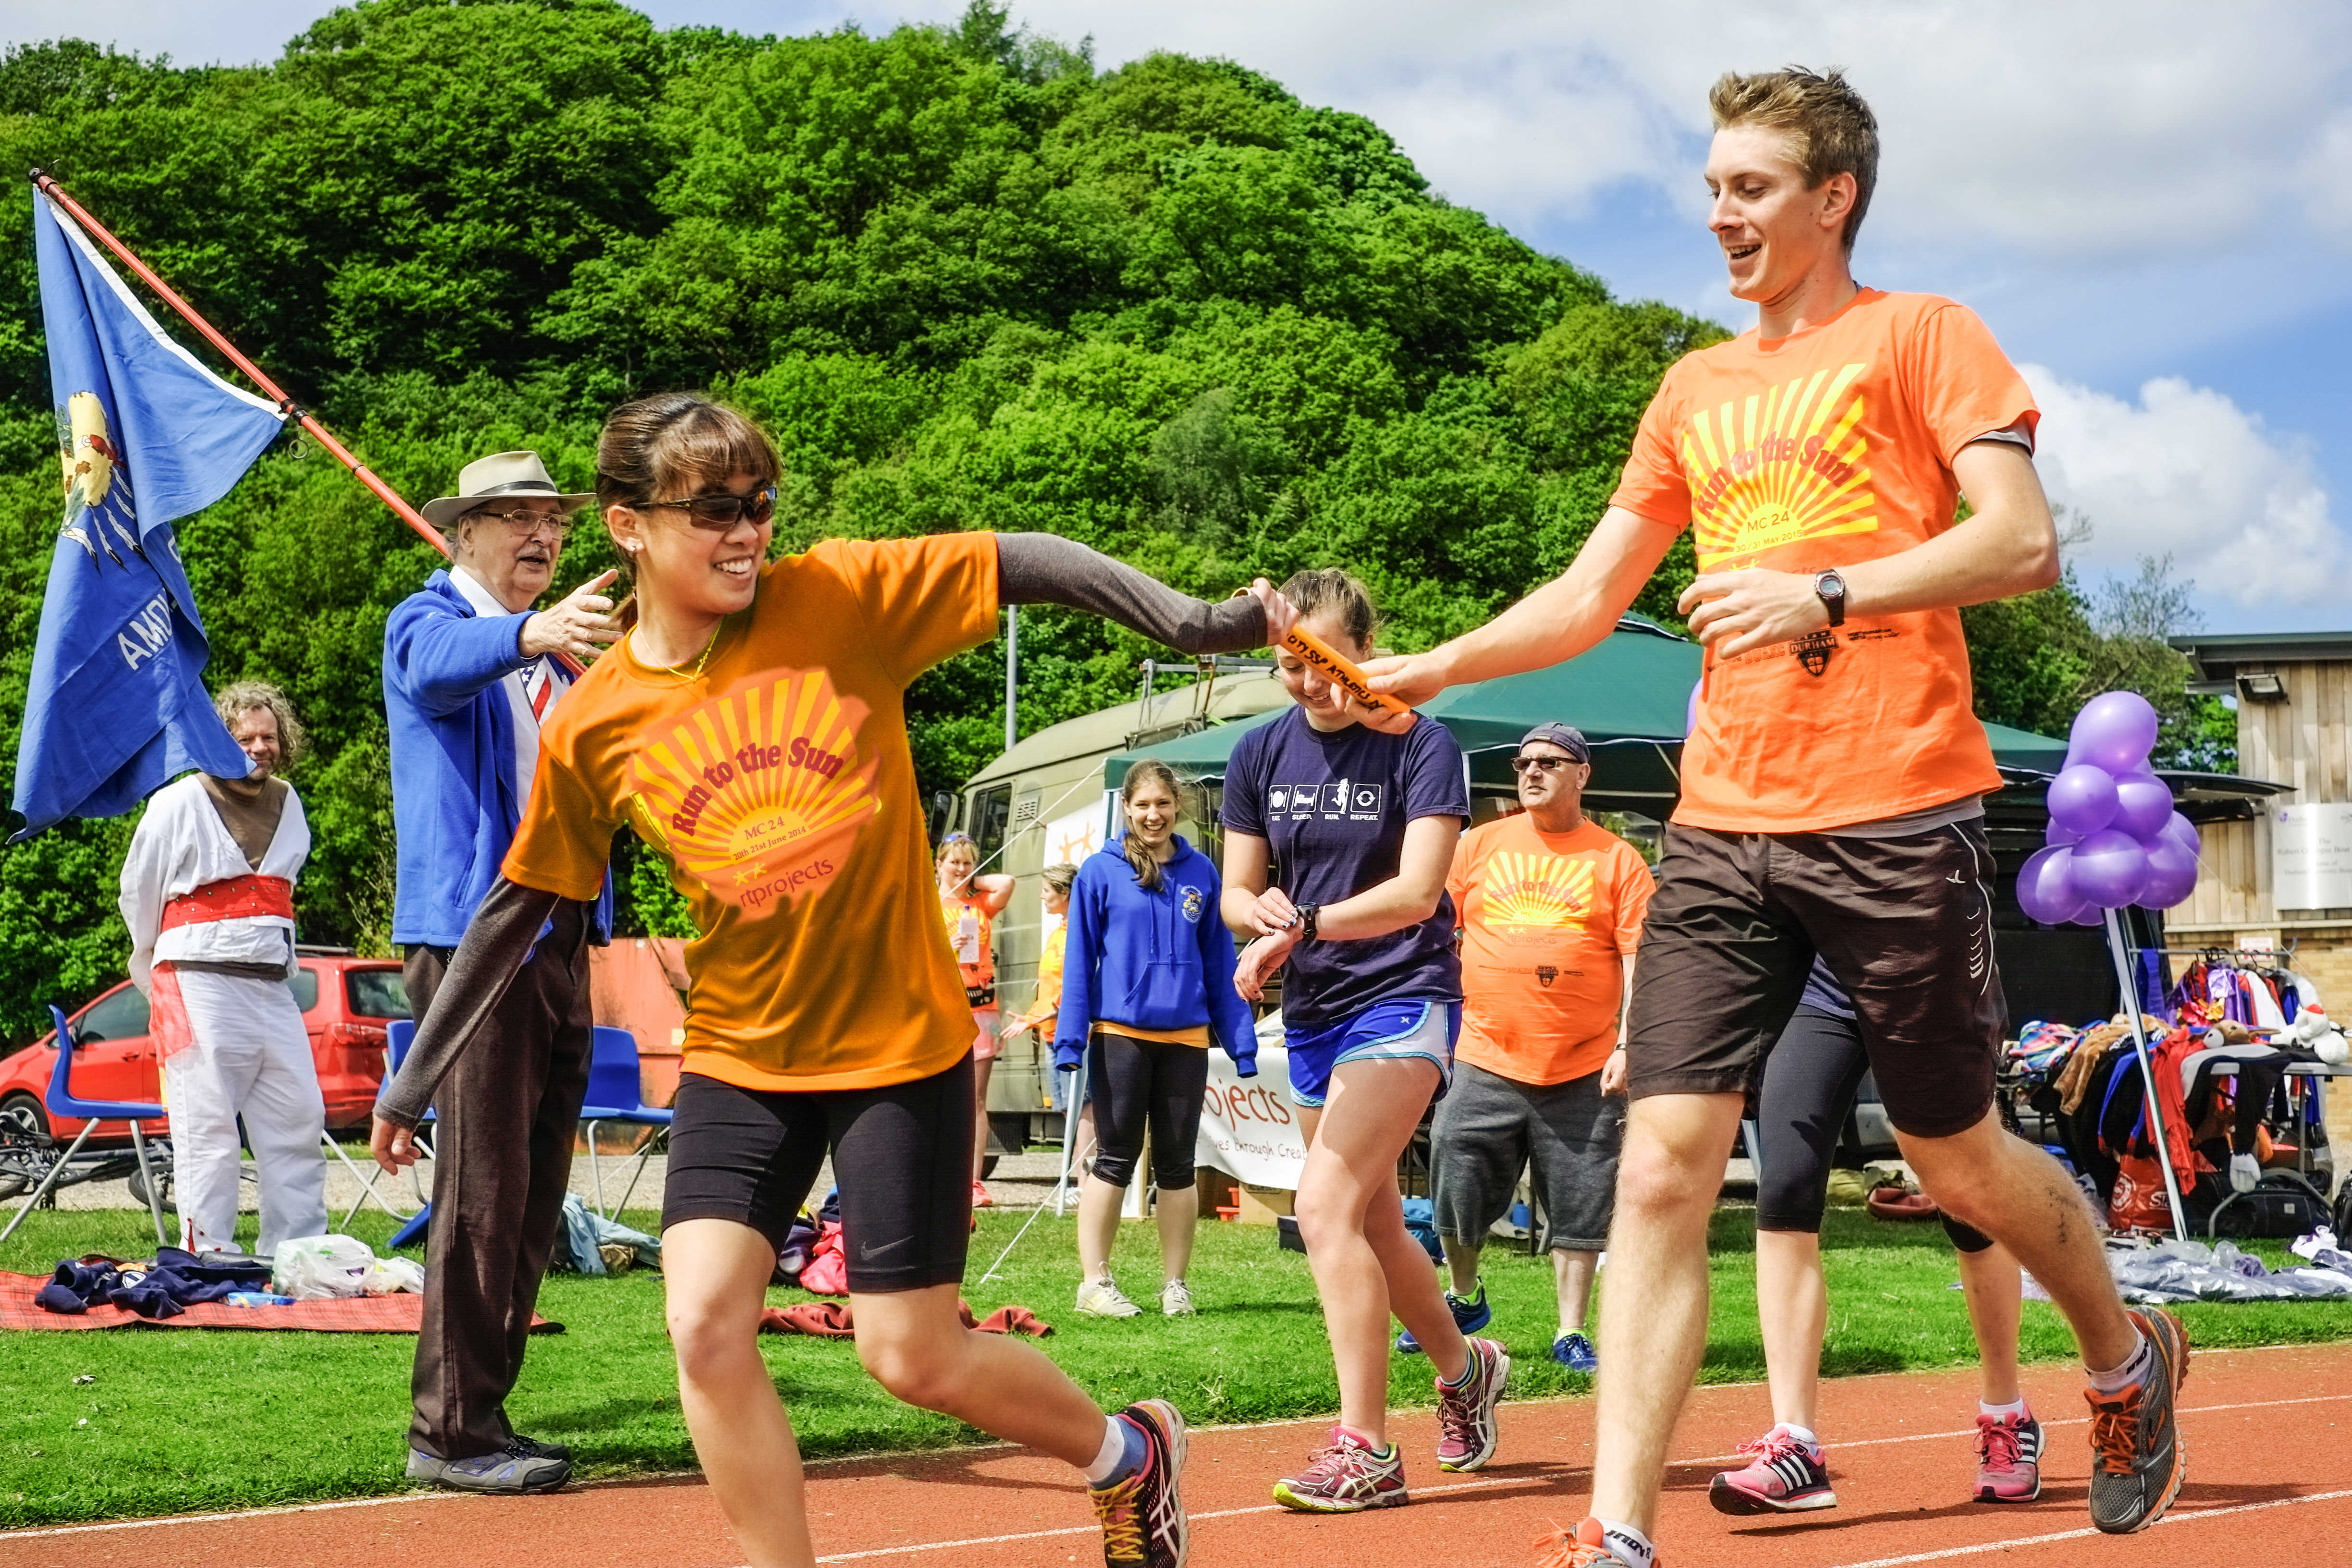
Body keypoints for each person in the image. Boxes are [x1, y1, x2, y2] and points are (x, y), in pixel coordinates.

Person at [1362, 68, 2188, 1568]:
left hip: (1894, 810)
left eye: (1749, 187)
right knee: (1669, 1160)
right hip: (1725, 822)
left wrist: (1822, 590)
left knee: (1955, 1158)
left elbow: (2020, 541)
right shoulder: (1693, 387)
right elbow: (1589, 593)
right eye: (1712, 187)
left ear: (1833, 198)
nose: (1720, 213)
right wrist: (1429, 666)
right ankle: (1617, 1526)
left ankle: (2128, 1355)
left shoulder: (1921, 334)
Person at [371, 391, 1297, 1568]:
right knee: (704, 1324)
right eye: (713, 508)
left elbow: (1029, 560)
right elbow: (521, 906)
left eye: (758, 503)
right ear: (627, 526)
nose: (748, 530)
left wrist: (1195, 624)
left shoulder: (842, 595)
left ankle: (1126, 1454)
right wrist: (413, 1081)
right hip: (743, 1057)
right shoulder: (593, 721)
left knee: (908, 1356)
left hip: (895, 1048)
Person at [1221, 568, 1510, 1513]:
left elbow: (1419, 894)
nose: (1304, 678)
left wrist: (1299, 922)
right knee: (1378, 1224)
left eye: (1322, 657)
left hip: (1403, 996)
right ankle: (1466, 1372)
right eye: (1286, 660)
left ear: (1365, 647)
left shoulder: (1423, 745)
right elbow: (1235, 892)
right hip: (1312, 1012)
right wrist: (1255, 920)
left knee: (1326, 1212)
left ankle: (1366, 1451)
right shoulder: (1259, 754)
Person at [382, 449, 620, 1495]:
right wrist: (532, 631)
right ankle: (449, 1430)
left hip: (561, 936)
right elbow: (439, 665)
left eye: (555, 521)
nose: (544, 535)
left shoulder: (559, 659)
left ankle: (485, 1407)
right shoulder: (430, 621)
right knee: (481, 1192)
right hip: (476, 937)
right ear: (463, 532)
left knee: (532, 1195)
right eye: (518, 518)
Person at [1711, 957, 2039, 1516]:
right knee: (1785, 1188)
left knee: (1966, 1201)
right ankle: (1796, 1445)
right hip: (1819, 987)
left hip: (1929, 985)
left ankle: (2007, 1414)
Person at [1421, 724, 1651, 1374]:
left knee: (1580, 1202)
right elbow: (1437, 929)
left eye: (1549, 762)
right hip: (1485, 1052)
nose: (1531, 771)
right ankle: (1464, 1298)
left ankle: (1570, 1331)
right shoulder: (1480, 845)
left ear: (1583, 774)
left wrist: (1631, 1043)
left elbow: (1639, 958)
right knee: (1454, 1178)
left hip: (1584, 1061)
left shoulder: (1617, 860)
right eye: (1524, 762)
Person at [119, 681, 322, 1258]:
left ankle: (296, 1249)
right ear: (218, 740)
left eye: (269, 736)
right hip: (199, 979)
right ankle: (209, 1253)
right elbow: (140, 890)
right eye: (245, 737)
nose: (260, 747)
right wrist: (156, 964)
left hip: (271, 984)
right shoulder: (179, 802)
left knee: (299, 1116)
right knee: (207, 1126)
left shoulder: (290, 801)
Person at [1055, 760, 1258, 1318]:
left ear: (1178, 808)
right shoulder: (1099, 872)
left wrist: (1241, 1040)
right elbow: (1079, 963)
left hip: (1187, 1038)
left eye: (1163, 804)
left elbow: (1221, 963)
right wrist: (1070, 1039)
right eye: (1143, 805)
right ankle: (1094, 1285)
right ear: (1126, 808)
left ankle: (1176, 1286)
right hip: (1119, 1034)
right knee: (1115, 1158)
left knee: (1177, 1164)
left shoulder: (1203, 874)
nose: (1153, 815)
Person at [937, 832, 1015, 1207]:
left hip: (982, 1007)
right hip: (943, 1007)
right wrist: (942, 948)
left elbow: (1008, 883)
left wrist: (972, 880)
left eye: (968, 862)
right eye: (954, 861)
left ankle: (973, 1183)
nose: (961, 868)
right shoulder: (927, 904)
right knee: (938, 1097)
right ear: (939, 862)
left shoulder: (980, 903)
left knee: (976, 1099)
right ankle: (936, 1178)